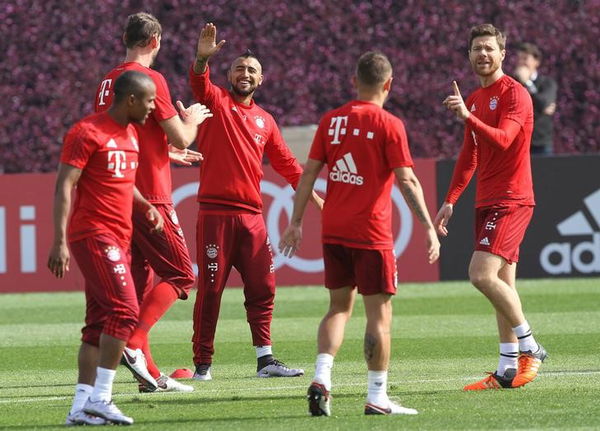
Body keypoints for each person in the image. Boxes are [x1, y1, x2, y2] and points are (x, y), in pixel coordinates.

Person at [279, 51, 440, 416]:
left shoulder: (331, 121)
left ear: (354, 82)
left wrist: (296, 221)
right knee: (379, 317)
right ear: (389, 84)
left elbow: (308, 174)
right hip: (371, 233)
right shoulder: (389, 124)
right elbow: (407, 179)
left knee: (338, 308)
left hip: (333, 230)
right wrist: (428, 227)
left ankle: (322, 378)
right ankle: (377, 396)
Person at [188, 23, 322, 380]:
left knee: (264, 287)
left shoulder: (266, 120)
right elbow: (200, 83)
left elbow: (287, 164)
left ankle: (265, 360)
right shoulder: (216, 102)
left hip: (252, 219)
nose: (244, 74)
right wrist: (202, 59)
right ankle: (203, 365)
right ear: (229, 74)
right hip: (216, 217)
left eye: (252, 70)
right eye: (239, 69)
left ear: (260, 80)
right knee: (211, 290)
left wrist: (313, 195)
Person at [94, 12, 212, 393]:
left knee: (141, 284)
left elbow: (122, 135)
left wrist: (164, 153)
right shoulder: (151, 79)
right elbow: (182, 137)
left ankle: (150, 377)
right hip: (149, 194)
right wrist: (192, 119)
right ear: (156, 41)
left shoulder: (107, 81)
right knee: (181, 274)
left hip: (117, 192)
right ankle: (131, 344)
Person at [435, 23, 547, 391]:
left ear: (502, 54)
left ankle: (530, 345)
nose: (483, 54)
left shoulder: (515, 94)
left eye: (489, 48)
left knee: (480, 274)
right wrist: (451, 200)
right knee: (502, 284)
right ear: (469, 56)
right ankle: (506, 369)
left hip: (512, 198)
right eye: (476, 49)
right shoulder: (476, 97)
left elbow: (503, 140)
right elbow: (470, 154)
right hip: (487, 199)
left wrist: (468, 117)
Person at [48, 71, 162, 426]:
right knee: (126, 310)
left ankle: (79, 408)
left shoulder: (130, 135)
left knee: (97, 326)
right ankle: (102, 397)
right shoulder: (86, 132)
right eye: (149, 100)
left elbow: (124, 184)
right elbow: (65, 186)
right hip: (93, 234)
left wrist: (145, 205)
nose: (153, 107)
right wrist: (59, 240)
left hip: (120, 237)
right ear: (130, 99)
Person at [514, 42, 558, 155]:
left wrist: (527, 83)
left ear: (536, 62)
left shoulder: (547, 83)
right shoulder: (512, 84)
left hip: (541, 143)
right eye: (519, 59)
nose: (521, 63)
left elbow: (543, 103)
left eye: (525, 58)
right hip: (517, 143)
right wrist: (540, 110)